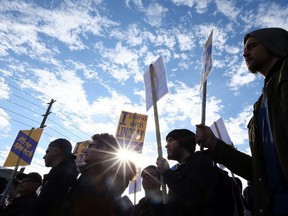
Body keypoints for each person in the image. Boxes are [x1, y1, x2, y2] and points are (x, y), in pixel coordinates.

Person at [195, 27, 288, 216]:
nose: (245, 53)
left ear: (274, 45)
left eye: (252, 46)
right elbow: (257, 171)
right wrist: (215, 145)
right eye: (245, 49)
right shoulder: (258, 110)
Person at [60, 133, 136, 216]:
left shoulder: (99, 177)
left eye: (91, 146)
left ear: (102, 151)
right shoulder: (93, 173)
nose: (85, 151)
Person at [156, 129, 218, 216]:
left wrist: (167, 172)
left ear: (183, 142)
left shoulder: (201, 161)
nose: (166, 146)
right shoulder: (180, 170)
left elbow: (192, 195)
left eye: (171, 140)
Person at [29, 138, 79, 216]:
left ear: (56, 151)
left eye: (47, 152)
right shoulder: (60, 173)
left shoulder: (63, 175)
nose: (44, 156)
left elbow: (47, 207)